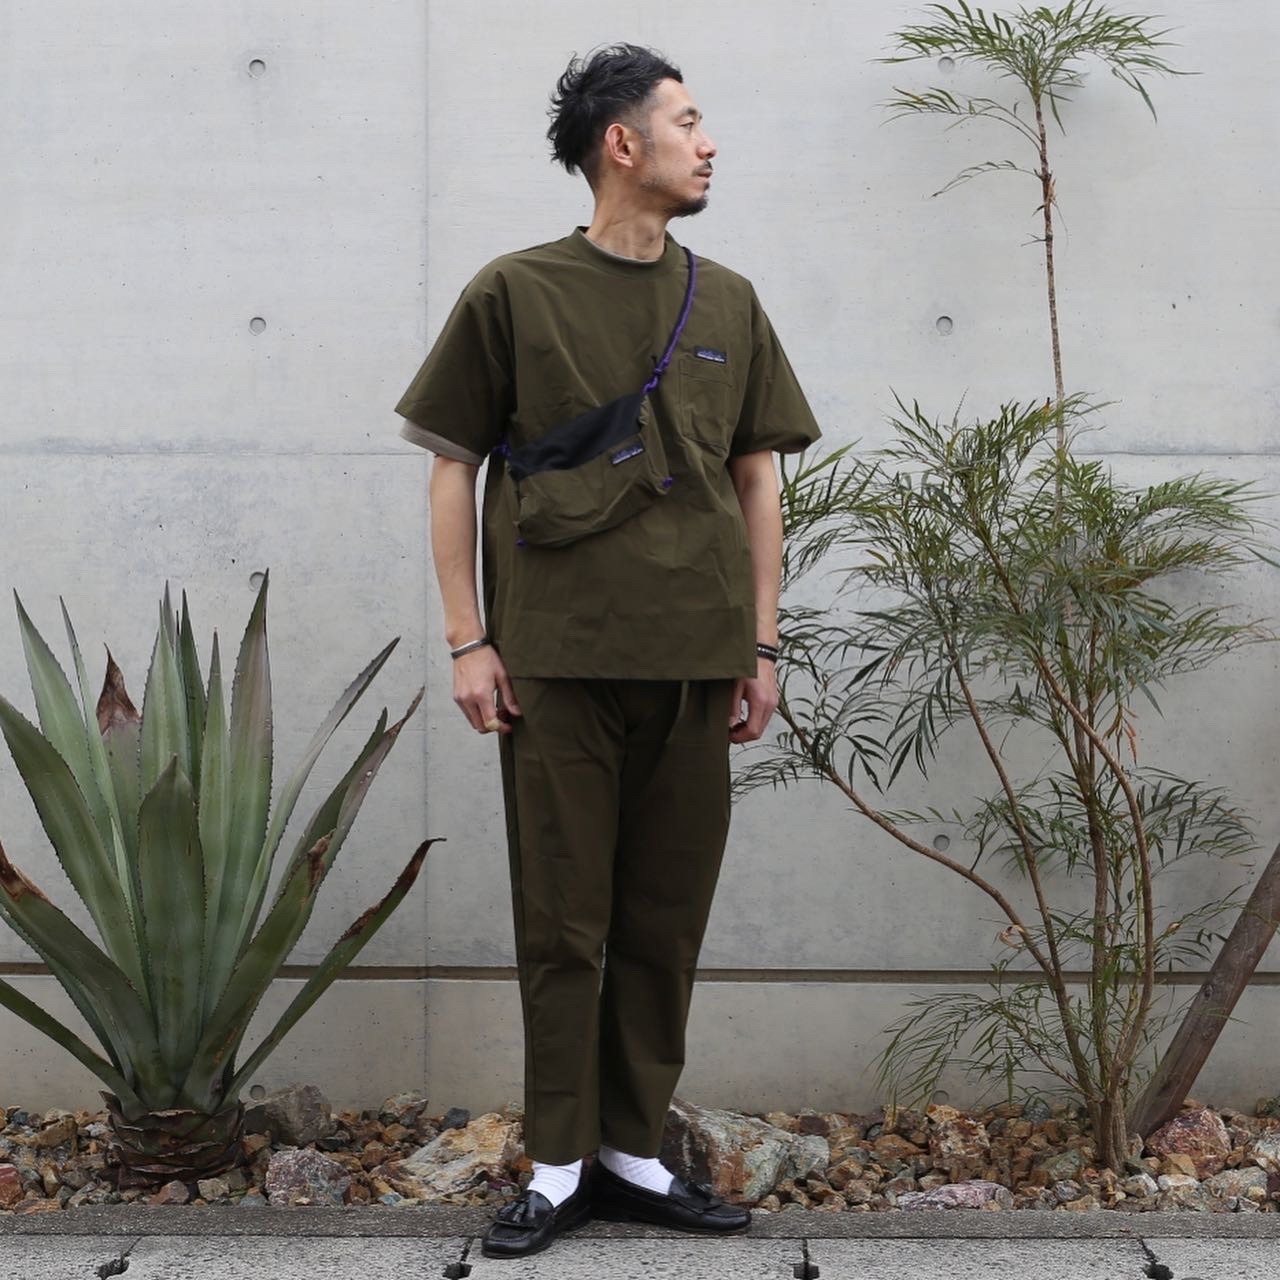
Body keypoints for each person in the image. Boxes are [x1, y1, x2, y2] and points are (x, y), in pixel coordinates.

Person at [395, 43, 820, 1259]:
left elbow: (755, 477)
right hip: (555, 661)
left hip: (694, 660)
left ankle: (632, 1151)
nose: (708, 141)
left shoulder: (726, 299)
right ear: (621, 144)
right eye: (688, 121)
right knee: (562, 921)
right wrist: (468, 639)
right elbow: (450, 463)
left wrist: (759, 641)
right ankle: (556, 1161)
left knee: (662, 919)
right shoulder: (513, 292)